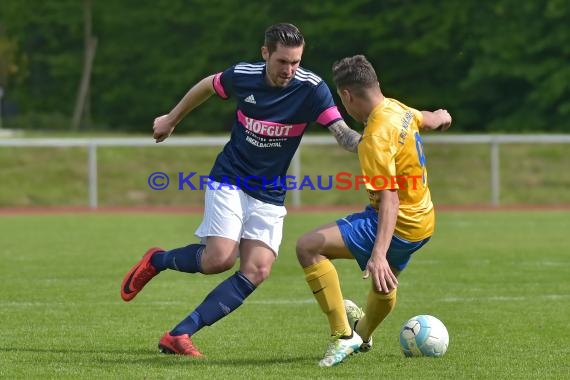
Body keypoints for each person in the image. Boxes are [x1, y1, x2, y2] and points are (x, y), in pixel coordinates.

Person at [119, 23, 362, 357]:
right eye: (282, 62)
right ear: (265, 54)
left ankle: (179, 334)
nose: (289, 70)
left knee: (257, 270)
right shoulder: (243, 76)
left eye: (295, 62)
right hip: (230, 178)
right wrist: (172, 119)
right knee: (219, 258)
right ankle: (158, 260)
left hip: (270, 193)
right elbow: (207, 85)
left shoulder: (312, 88)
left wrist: (370, 143)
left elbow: (342, 132)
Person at [296, 54, 452, 367]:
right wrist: (440, 116)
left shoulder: (374, 137)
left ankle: (342, 335)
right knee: (384, 284)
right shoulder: (396, 108)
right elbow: (425, 118)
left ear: (346, 96)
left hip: (398, 220)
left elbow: (389, 198)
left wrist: (378, 253)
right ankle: (362, 334)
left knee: (308, 246)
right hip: (423, 222)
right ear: (376, 84)